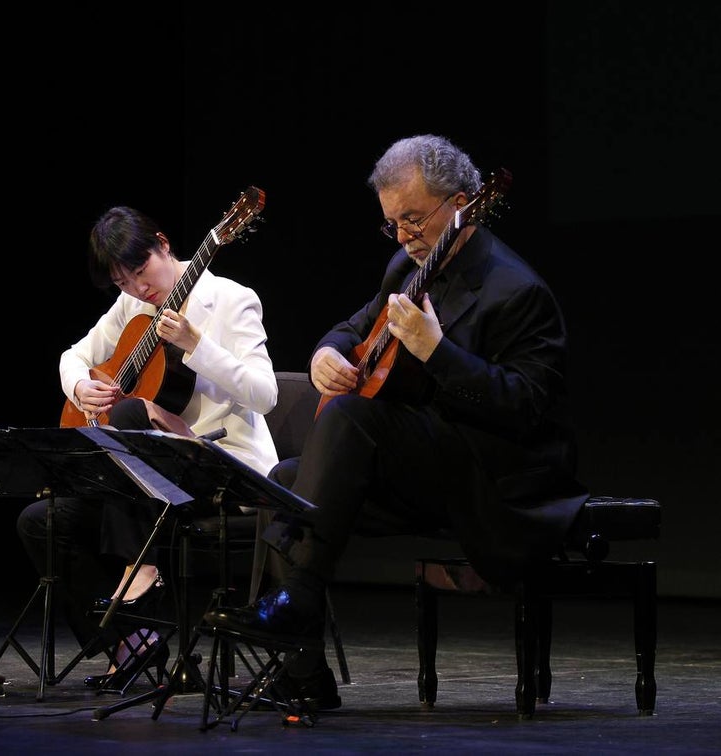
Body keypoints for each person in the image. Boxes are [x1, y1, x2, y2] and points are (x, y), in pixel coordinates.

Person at [207, 134, 589, 703]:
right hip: (426, 468)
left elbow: (526, 408)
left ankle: (299, 595)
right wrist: (325, 355)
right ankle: (305, 677)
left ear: (462, 204)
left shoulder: (516, 290)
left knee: (355, 420)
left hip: (492, 476)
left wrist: (438, 352)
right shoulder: (406, 268)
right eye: (393, 224)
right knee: (286, 481)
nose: (404, 236)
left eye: (413, 219)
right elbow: (351, 327)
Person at [16, 204, 279, 689]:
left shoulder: (232, 299)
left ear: (162, 244)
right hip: (149, 484)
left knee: (132, 414)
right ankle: (129, 642)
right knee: (42, 522)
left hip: (216, 468)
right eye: (123, 283)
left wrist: (198, 345)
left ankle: (143, 571)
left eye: (141, 271)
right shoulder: (133, 306)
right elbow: (72, 356)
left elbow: (266, 394)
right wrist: (79, 389)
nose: (139, 289)